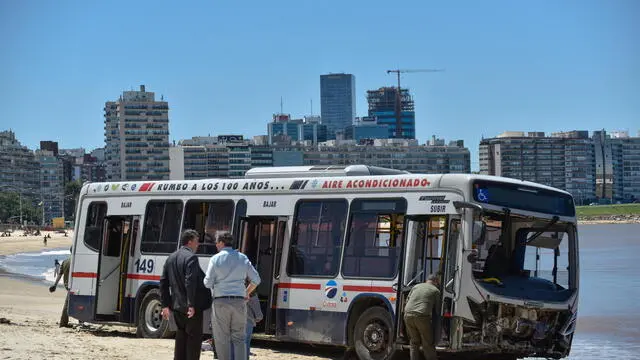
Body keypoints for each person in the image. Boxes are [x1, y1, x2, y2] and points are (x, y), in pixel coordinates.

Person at [204, 233, 261, 360]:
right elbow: (256, 279)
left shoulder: (215, 259)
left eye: (217, 242)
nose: (216, 245)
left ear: (221, 243)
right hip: (239, 302)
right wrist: (246, 292)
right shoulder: (243, 258)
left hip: (221, 302)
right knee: (240, 338)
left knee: (222, 339)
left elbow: (207, 283)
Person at [160, 229, 212, 360]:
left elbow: (163, 282)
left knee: (181, 339)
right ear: (190, 242)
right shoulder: (191, 258)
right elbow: (190, 281)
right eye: (196, 242)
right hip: (191, 309)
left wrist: (165, 305)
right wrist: (191, 304)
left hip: (177, 307)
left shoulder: (171, 257)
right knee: (193, 342)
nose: (198, 245)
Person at [403, 274, 441, 360]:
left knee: (414, 342)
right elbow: (438, 309)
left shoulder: (416, 286)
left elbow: (407, 300)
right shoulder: (435, 290)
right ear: (435, 282)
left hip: (407, 315)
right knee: (427, 342)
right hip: (421, 317)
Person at [230, 280, 263, 359]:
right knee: (245, 344)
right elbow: (257, 311)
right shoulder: (251, 293)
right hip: (247, 321)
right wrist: (258, 318)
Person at [49, 247, 71, 327]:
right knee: (68, 303)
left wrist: (55, 285)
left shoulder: (65, 261)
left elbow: (60, 274)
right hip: (74, 285)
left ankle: (65, 322)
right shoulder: (77, 261)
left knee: (71, 302)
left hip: (67, 285)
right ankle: (63, 323)